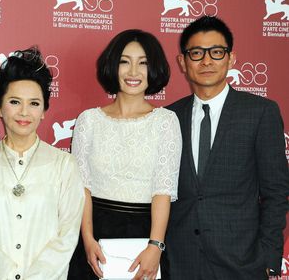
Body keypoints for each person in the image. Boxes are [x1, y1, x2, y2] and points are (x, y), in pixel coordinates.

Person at [163, 16, 289, 279]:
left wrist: (268, 257)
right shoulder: (168, 117)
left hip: (243, 263)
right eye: (196, 53)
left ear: (230, 59)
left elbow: (276, 192)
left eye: (216, 52)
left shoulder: (260, 112)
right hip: (180, 261)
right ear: (182, 63)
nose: (207, 61)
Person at [0, 47, 85, 280]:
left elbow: (67, 235)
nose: (24, 112)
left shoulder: (64, 165)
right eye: (15, 101)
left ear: (45, 110)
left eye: (34, 103)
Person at [68, 29, 182, 280]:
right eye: (124, 62)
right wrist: (87, 239)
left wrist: (156, 245)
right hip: (94, 234)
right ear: (112, 65)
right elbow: (82, 187)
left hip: (146, 234)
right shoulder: (89, 120)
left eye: (143, 63)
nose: (133, 72)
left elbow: (163, 190)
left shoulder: (166, 122)